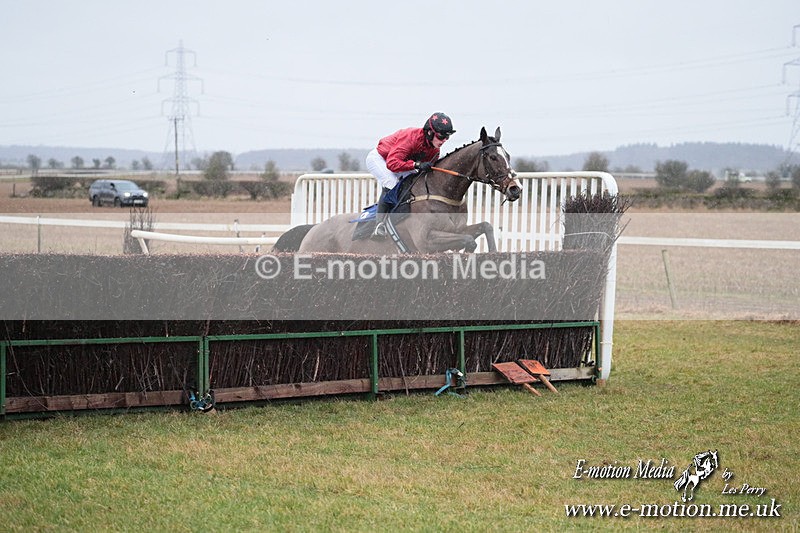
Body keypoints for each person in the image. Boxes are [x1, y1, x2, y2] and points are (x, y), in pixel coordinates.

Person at [365, 112, 455, 238]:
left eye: (447, 137)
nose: (444, 140)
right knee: (391, 183)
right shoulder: (411, 138)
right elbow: (392, 164)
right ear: (430, 132)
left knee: (413, 182)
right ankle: (379, 225)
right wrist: (417, 165)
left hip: (399, 161)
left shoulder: (435, 150)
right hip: (381, 159)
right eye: (441, 136)